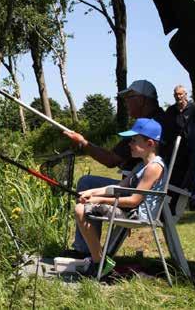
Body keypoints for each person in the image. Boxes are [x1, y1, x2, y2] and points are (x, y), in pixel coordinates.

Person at [63, 79, 168, 257]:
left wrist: (83, 143)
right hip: (132, 189)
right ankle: (96, 258)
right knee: (87, 190)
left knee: (85, 185)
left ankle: (89, 255)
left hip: (136, 205)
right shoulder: (152, 132)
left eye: (130, 97)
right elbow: (123, 184)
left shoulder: (146, 129)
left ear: (143, 99)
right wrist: (93, 193)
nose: (125, 103)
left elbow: (111, 160)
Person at [75, 118, 166, 277]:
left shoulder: (153, 168)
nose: (129, 144)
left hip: (137, 214)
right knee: (81, 207)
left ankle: (99, 263)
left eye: (134, 140)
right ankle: (100, 262)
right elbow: (119, 187)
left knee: (80, 210)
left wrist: (99, 200)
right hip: (129, 210)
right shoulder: (141, 165)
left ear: (150, 143)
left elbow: (134, 201)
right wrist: (92, 192)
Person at [164, 85, 195, 211]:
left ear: (185, 95)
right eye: (176, 94)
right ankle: (173, 203)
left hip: (192, 147)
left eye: (181, 94)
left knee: (193, 173)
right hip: (176, 149)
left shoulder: (194, 108)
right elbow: (167, 129)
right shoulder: (171, 111)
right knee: (175, 174)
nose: (178, 96)